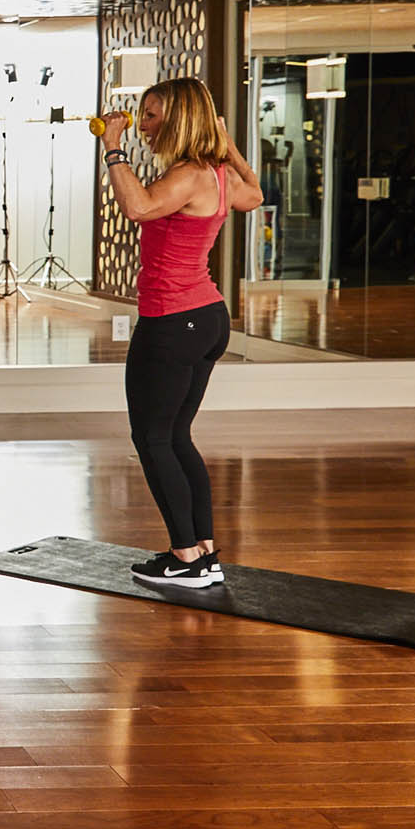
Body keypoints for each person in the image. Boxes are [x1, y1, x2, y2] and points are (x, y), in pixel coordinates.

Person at [97, 77, 263, 589]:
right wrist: (229, 147)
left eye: (150, 115)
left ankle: (185, 558)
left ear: (179, 119)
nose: (143, 125)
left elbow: (138, 207)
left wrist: (113, 148)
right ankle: (203, 553)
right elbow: (255, 195)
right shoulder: (217, 174)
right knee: (175, 436)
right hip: (207, 317)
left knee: (152, 438)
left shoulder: (189, 175)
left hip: (173, 321)